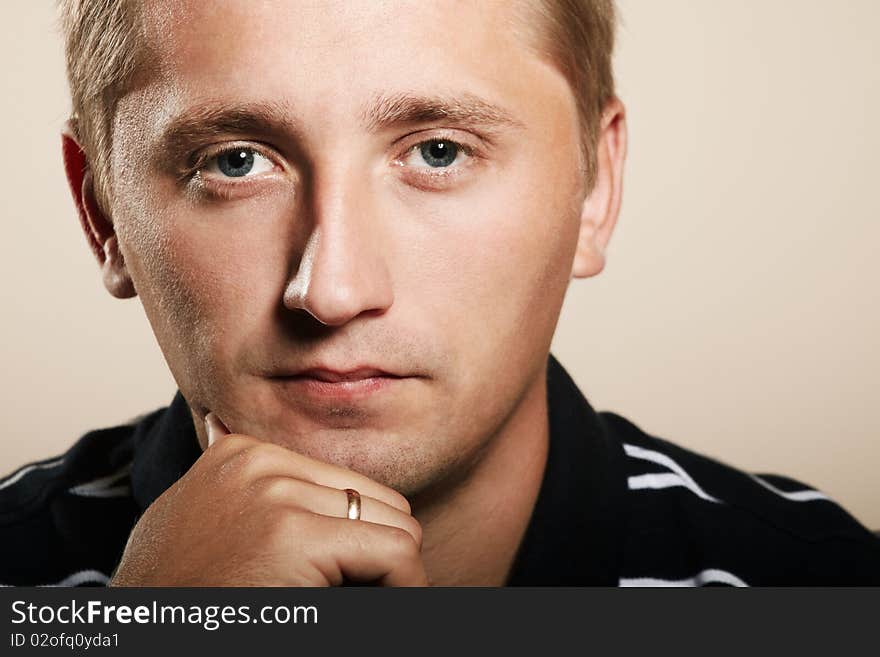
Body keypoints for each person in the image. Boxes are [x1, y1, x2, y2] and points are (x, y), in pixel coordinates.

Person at [1, 0, 878, 587]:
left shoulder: (824, 586)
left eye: (438, 152)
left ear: (596, 186)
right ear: (101, 211)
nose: (334, 290)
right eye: (236, 162)